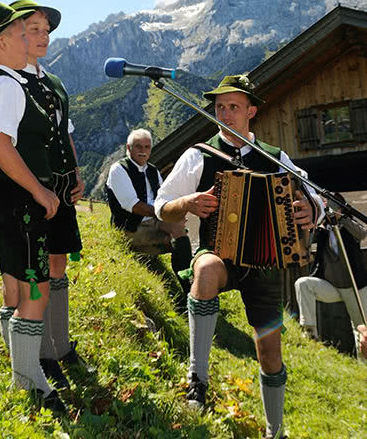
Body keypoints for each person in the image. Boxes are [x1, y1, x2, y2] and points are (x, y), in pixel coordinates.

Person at [154, 75, 321, 439]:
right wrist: (189, 203)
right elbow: (161, 206)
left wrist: (312, 210)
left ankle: (274, 431)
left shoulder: (275, 158)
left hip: (264, 265)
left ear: (251, 111)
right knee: (209, 268)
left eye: (233, 107)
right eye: (219, 107)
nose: (225, 114)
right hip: (215, 252)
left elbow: (316, 196)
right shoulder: (198, 154)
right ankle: (196, 380)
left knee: (271, 352)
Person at [0, 2, 65, 414]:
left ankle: (19, 365)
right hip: (19, 198)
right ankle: (27, 378)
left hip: (1, 196)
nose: (31, 40)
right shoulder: (6, 84)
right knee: (34, 289)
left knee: (17, 284)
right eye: (23, 34)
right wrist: (39, 191)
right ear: (3, 42)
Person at [9, 0, 90, 388]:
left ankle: (60, 346)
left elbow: (66, 132)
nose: (42, 36)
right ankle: (40, 355)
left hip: (61, 189)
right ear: (13, 35)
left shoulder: (53, 82)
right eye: (33, 29)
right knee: (33, 273)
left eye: (45, 29)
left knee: (58, 264)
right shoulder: (7, 80)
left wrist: (76, 174)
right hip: (30, 190)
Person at [106, 128, 192, 296]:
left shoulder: (153, 171)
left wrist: (173, 212)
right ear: (128, 148)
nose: (143, 151)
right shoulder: (119, 169)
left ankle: (189, 287)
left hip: (153, 221)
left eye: (147, 147)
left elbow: (163, 198)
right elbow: (133, 206)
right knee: (175, 240)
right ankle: (185, 291)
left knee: (179, 229)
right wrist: (163, 212)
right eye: (138, 147)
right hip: (130, 226)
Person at [295, 193, 367, 360]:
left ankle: (362, 369)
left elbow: (362, 233)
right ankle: (309, 332)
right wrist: (315, 225)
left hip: (355, 286)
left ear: (340, 208)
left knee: (361, 329)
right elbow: (306, 244)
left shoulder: (347, 225)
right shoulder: (322, 229)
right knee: (303, 284)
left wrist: (340, 219)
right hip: (332, 286)